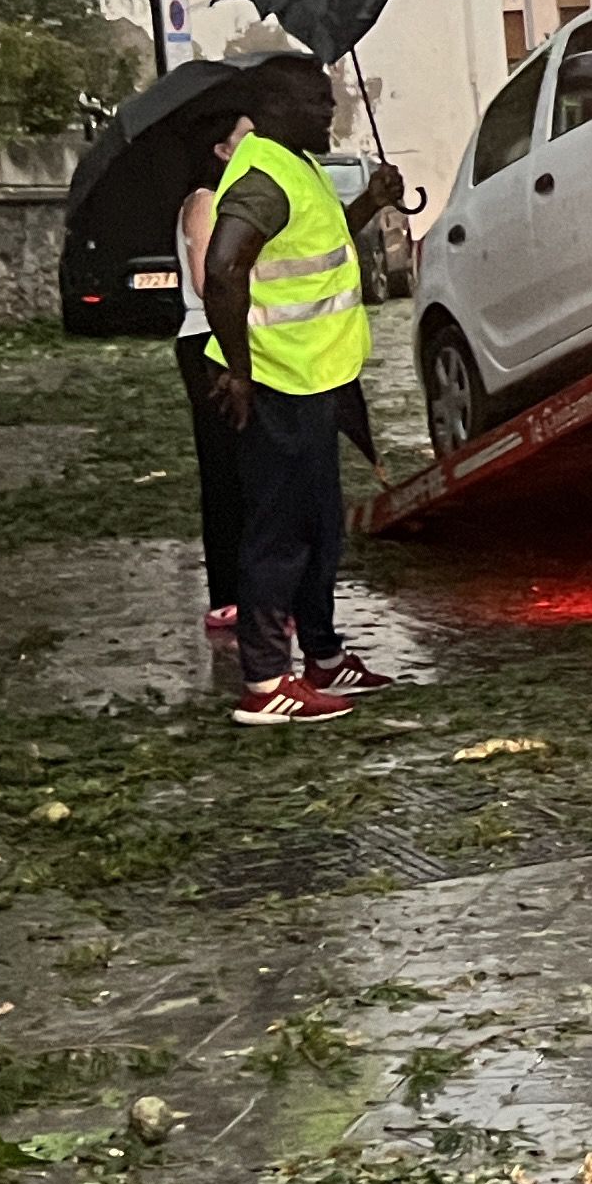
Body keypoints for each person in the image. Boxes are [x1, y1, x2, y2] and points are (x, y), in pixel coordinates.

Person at [203, 55, 404, 725]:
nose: (330, 110)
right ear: (277, 106)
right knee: (278, 534)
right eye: (317, 101)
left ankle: (322, 656)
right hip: (276, 382)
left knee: (319, 529)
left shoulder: (299, 166)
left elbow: (319, 249)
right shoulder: (262, 176)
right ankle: (265, 683)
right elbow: (224, 269)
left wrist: (371, 203)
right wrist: (238, 369)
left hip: (315, 377)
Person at [174, 104, 253, 638]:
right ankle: (227, 595)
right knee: (224, 469)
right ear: (220, 151)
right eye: (243, 137)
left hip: (233, 335)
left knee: (248, 467)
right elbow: (208, 281)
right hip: (206, 339)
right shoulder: (205, 202)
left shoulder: (240, 201)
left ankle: (253, 588)